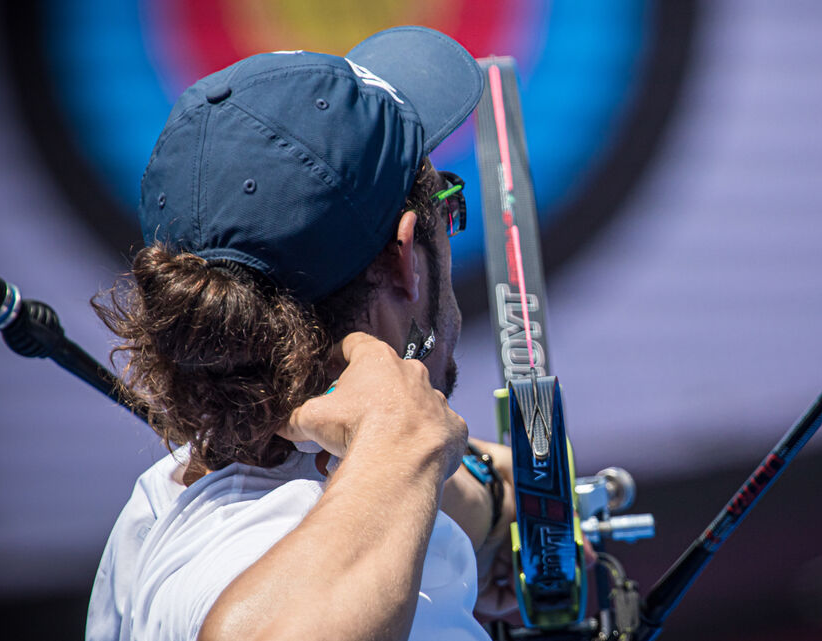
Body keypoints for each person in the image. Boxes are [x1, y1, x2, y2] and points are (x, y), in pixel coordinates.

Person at [85, 26, 516, 641]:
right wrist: (405, 438)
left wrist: (491, 509)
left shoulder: (168, 495)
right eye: (445, 209)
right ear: (402, 258)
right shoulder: (300, 534)